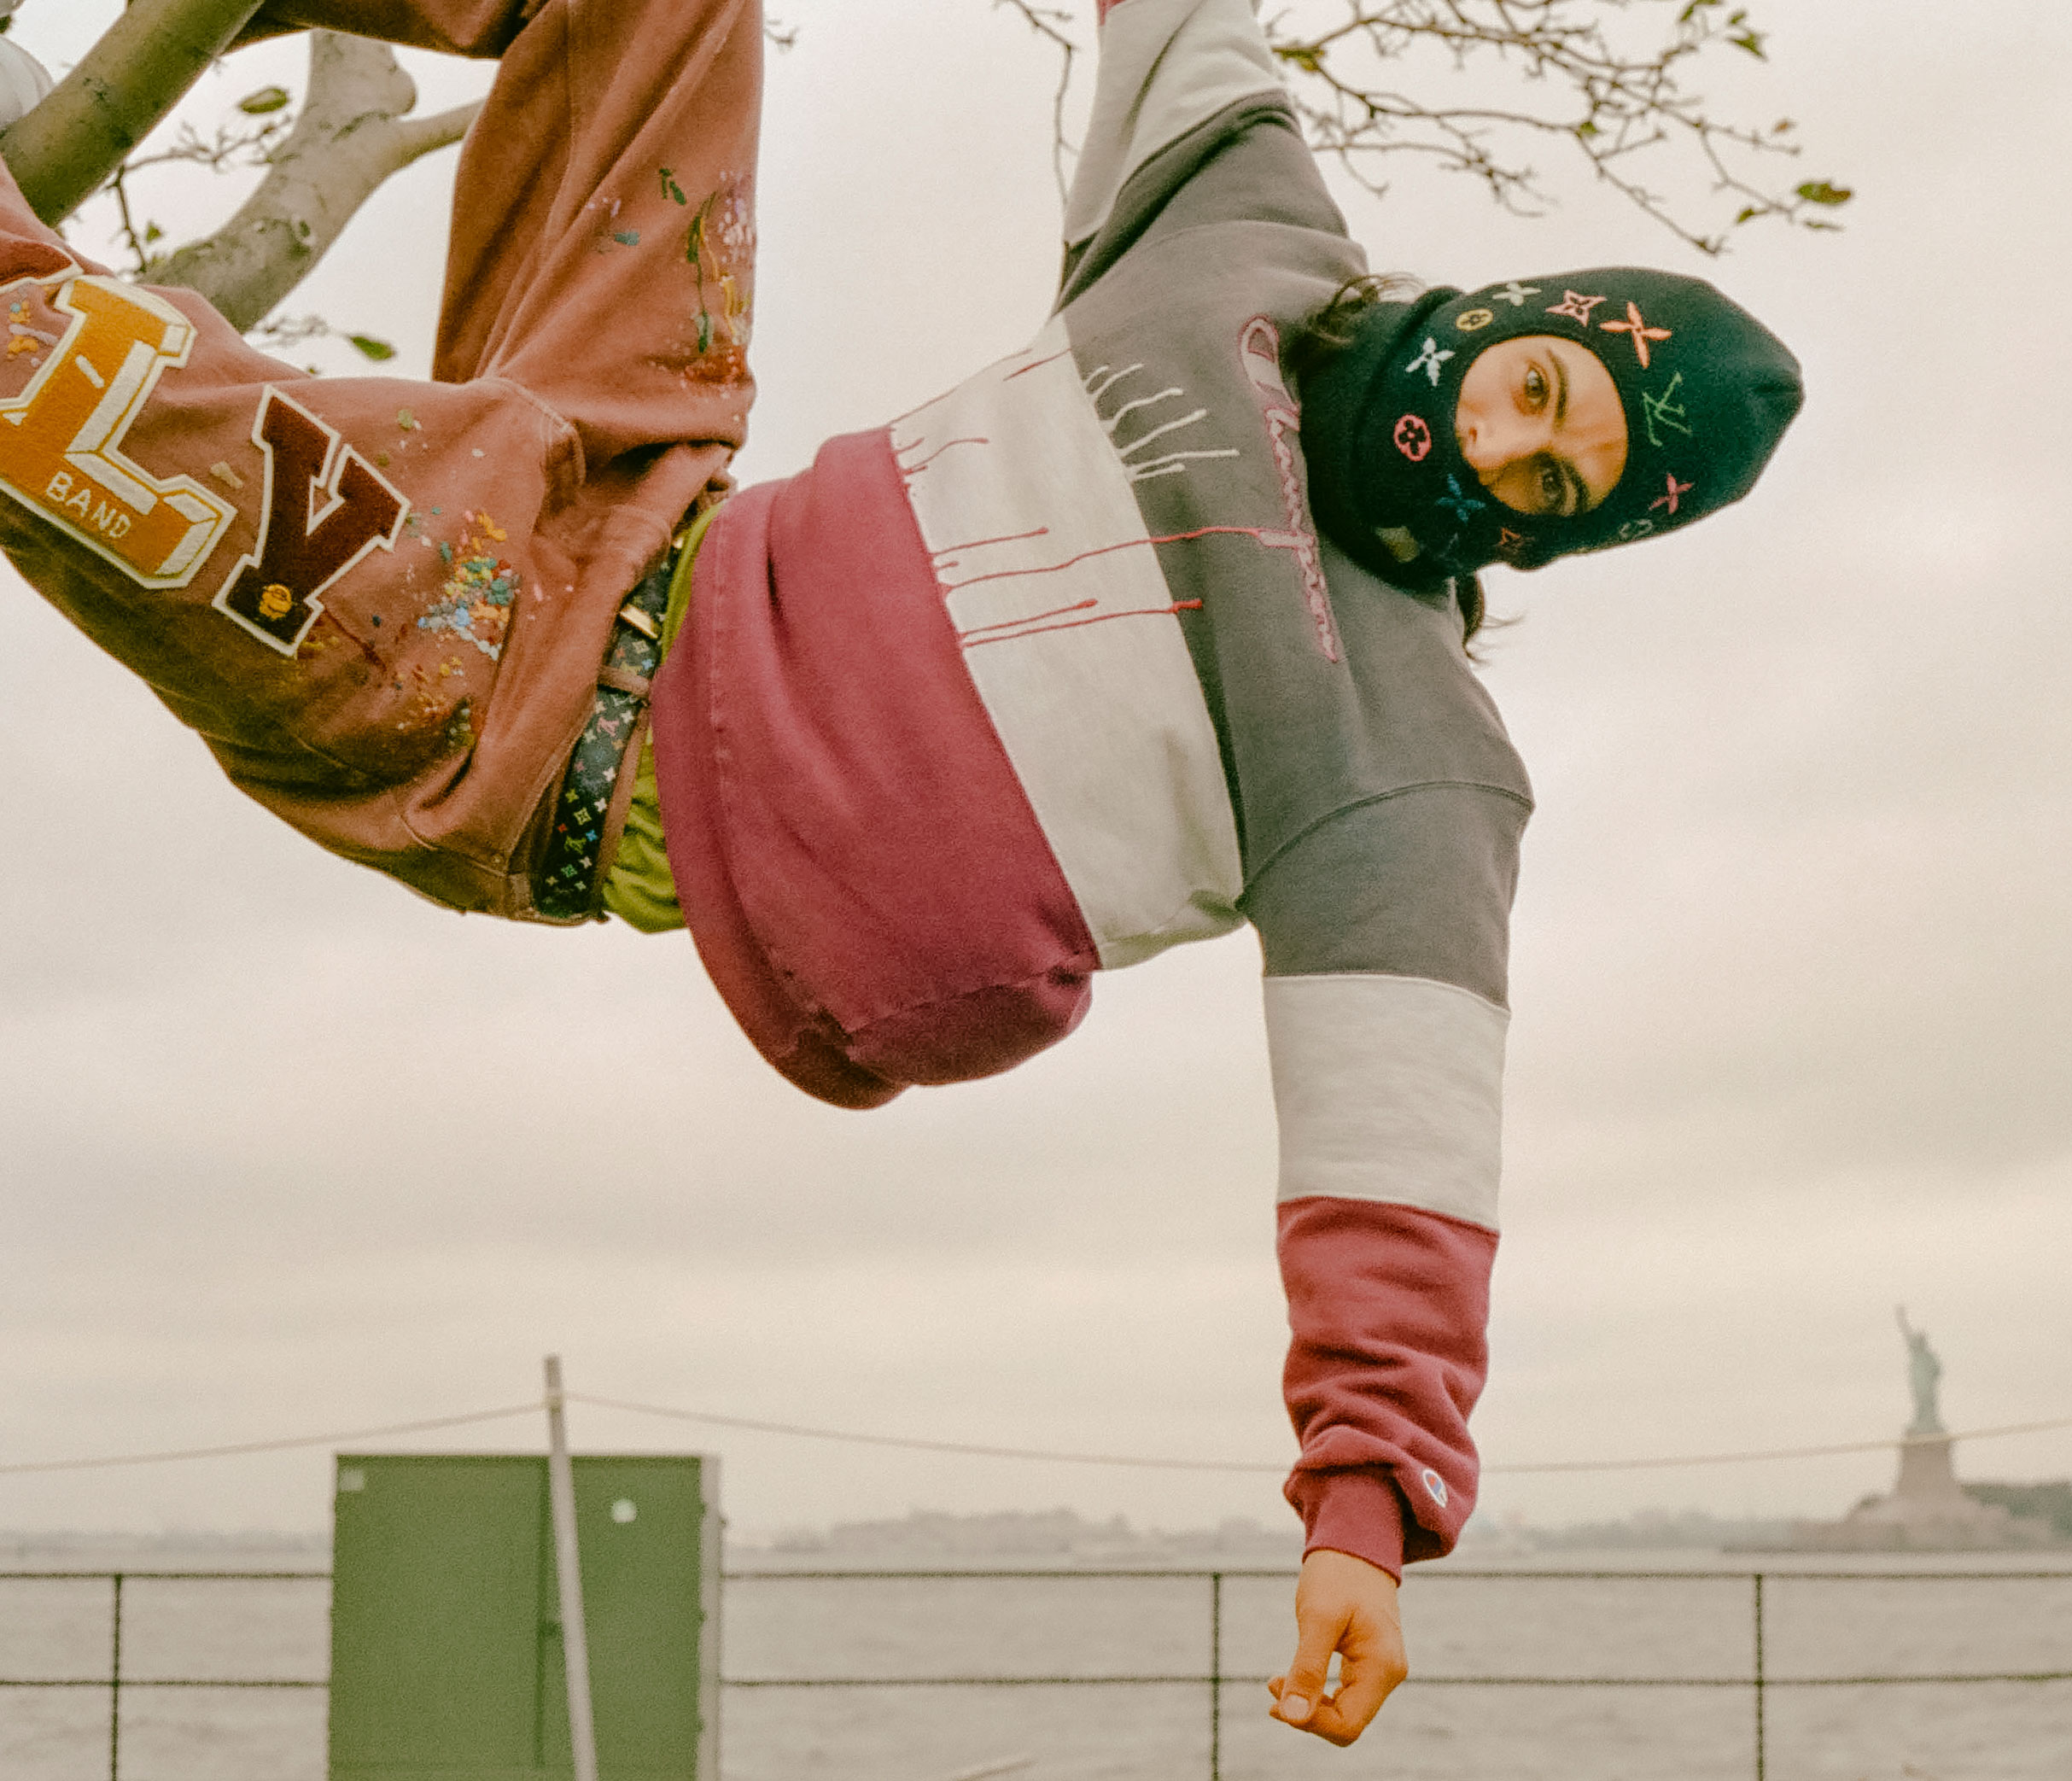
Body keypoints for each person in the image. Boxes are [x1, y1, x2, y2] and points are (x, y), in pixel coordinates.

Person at [0, 0, 1799, 1745]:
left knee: (39, 372)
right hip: (639, 477)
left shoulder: (1401, 755)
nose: (1497, 454)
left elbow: (1400, 1142)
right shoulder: (1240, 238)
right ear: (1509, 317)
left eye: (1561, 485)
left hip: (497, 701)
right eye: (1535, 390)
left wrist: (1366, 1515)